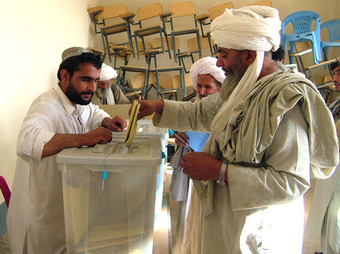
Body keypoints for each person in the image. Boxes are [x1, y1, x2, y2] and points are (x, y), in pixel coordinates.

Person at [134, 6, 339, 253]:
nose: (219, 63)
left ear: (250, 56)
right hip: (225, 225)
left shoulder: (285, 102)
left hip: (253, 234)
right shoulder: (241, 87)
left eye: (223, 54)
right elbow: (202, 112)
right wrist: (157, 106)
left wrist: (218, 171)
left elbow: (291, 183)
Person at [6, 47, 127, 254]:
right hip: (43, 216)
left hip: (68, 206)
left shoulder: (80, 100)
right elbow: (26, 141)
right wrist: (86, 138)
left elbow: (93, 112)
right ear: (64, 76)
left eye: (96, 80)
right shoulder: (47, 105)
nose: (92, 87)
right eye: (86, 79)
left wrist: (107, 120)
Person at [169, 56, 225, 251]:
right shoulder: (193, 107)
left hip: (214, 177)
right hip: (192, 174)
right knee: (187, 222)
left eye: (208, 87)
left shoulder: (227, 110)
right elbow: (180, 132)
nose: (202, 91)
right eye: (199, 86)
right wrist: (179, 138)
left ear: (219, 87)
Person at [306, 60, 340, 254]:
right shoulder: (336, 104)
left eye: (339, 74)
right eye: (334, 74)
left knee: (335, 215)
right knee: (329, 215)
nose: (334, 79)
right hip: (332, 166)